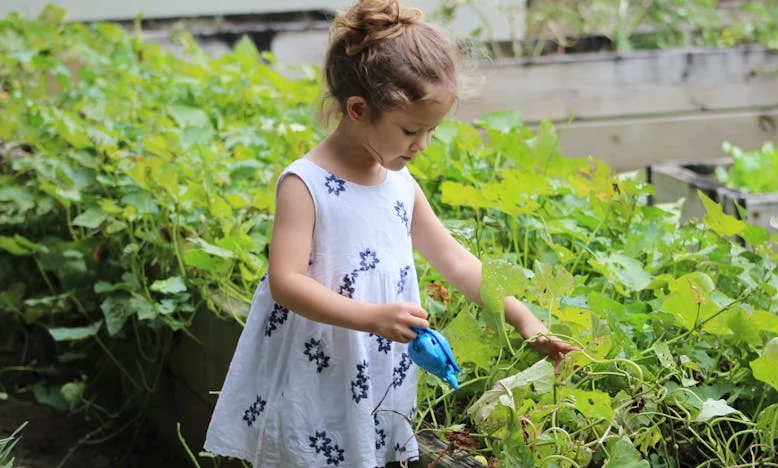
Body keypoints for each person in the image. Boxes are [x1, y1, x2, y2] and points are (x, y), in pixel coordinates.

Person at [204, 0, 577, 466]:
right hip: (320, 364)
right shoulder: (307, 184)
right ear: (358, 109)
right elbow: (286, 281)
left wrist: (523, 318)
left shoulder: (399, 184)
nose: (422, 145)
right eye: (410, 130)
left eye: (431, 131)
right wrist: (372, 317)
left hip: (375, 366)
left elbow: (455, 260)